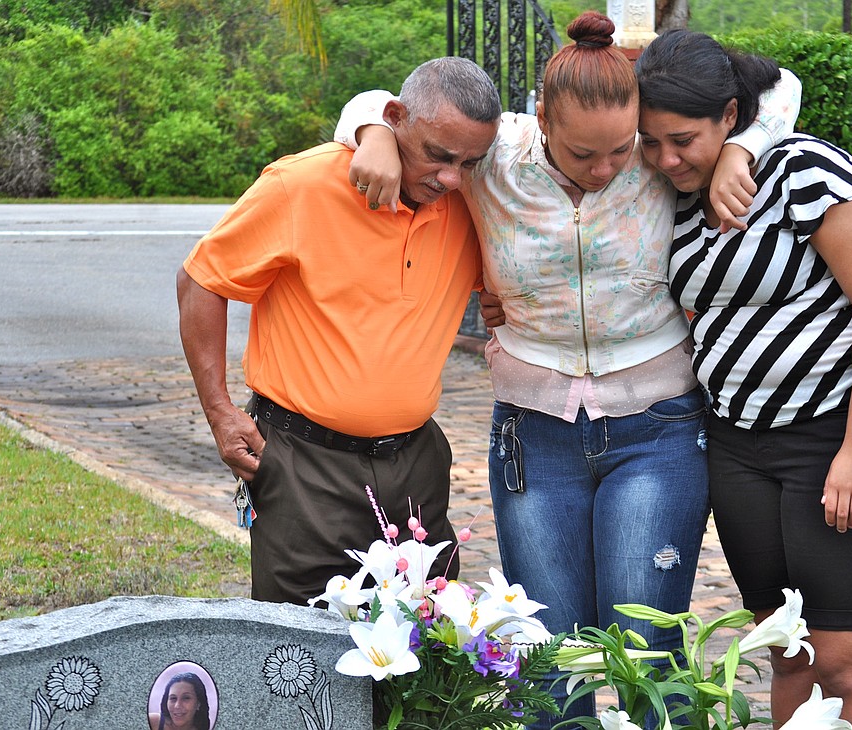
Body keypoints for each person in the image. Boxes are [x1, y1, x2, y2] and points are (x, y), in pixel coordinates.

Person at [334, 12, 800, 727]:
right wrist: (372, 137)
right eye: (585, 154)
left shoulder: (652, 152)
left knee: (647, 649)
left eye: (621, 150)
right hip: (534, 437)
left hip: (659, 428)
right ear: (542, 117)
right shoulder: (497, 157)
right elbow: (378, 104)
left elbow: (783, 89)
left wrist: (740, 148)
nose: (608, 168)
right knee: (551, 661)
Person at [634, 29, 852, 729]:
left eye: (683, 140)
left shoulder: (803, 172)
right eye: (651, 142)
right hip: (736, 445)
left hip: (833, 434)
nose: (666, 159)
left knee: (847, 663)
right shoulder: (677, 195)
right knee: (787, 652)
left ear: (730, 117)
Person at [177, 57, 502, 605]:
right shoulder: (302, 185)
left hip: (416, 464)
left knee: (425, 654)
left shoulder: (469, 200)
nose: (451, 177)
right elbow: (200, 282)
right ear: (396, 118)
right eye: (439, 156)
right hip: (304, 464)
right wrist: (219, 410)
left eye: (469, 161)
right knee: (297, 658)